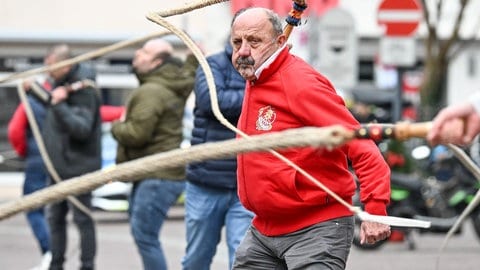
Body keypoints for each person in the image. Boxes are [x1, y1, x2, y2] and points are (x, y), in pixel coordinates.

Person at [229, 7, 391, 269]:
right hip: (263, 229)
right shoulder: (256, 76)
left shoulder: (300, 83)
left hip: (316, 229)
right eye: (237, 42)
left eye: (254, 41)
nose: (243, 51)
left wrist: (375, 208)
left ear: (280, 42)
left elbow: (360, 144)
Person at [110, 38, 198, 270]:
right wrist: (192, 57)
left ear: (157, 62)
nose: (138, 53)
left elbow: (137, 134)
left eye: (145, 52)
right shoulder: (173, 82)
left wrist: (116, 126)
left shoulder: (152, 91)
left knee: (145, 237)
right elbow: (188, 73)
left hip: (157, 175)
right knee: (145, 235)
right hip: (158, 173)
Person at [181, 40, 253, 270]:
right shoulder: (211, 64)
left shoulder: (265, 68)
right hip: (206, 182)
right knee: (196, 258)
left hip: (246, 185)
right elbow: (212, 101)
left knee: (243, 259)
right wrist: (256, 97)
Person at [41, 44, 102, 270]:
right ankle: (55, 265)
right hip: (58, 166)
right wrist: (36, 92)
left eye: (51, 67)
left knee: (82, 219)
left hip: (78, 166)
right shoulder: (61, 85)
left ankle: (87, 266)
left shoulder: (85, 89)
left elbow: (81, 128)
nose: (47, 71)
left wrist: (59, 104)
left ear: (65, 65)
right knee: (54, 219)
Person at [7, 76, 53, 270]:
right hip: (58, 161)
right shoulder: (58, 98)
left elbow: (14, 131)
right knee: (57, 211)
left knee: (33, 209)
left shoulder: (30, 103)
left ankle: (49, 252)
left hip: (37, 160)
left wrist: (24, 152)